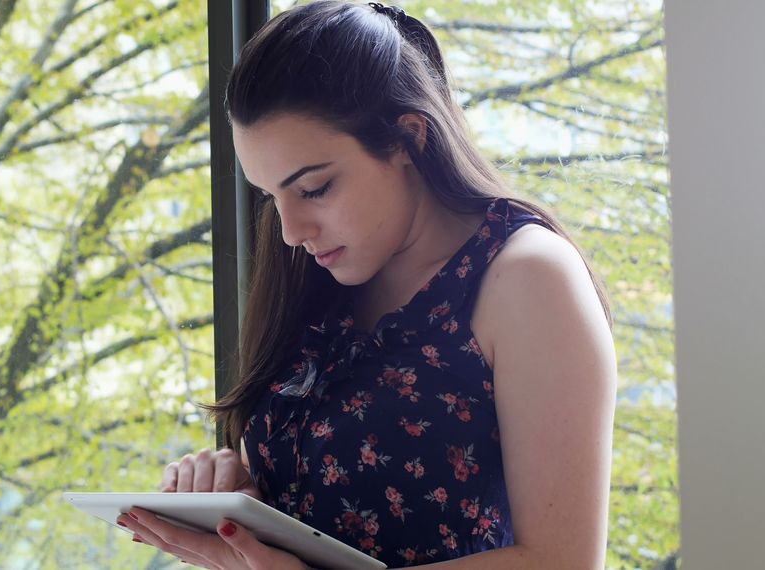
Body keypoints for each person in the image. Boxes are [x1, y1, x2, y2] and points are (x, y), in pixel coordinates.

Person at [115, 1, 617, 568]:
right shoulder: (318, 278)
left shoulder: (526, 277)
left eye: (315, 188)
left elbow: (564, 561)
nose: (290, 232)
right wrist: (236, 492)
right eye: (269, 197)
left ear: (407, 139)